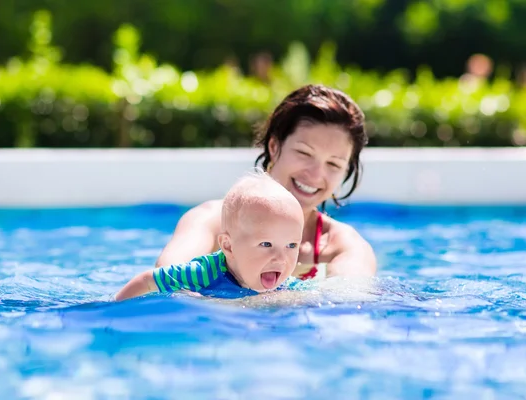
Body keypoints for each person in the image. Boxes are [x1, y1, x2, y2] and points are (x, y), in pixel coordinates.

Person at [155, 84, 377, 279]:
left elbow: (348, 306)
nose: (316, 174)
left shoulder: (342, 247)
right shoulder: (212, 223)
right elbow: (168, 284)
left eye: (334, 164)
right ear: (274, 146)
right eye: (304, 153)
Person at [115, 170, 304, 301]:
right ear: (228, 246)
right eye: (266, 244)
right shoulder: (202, 274)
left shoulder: (287, 285)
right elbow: (148, 280)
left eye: (291, 245)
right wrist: (115, 309)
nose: (281, 258)